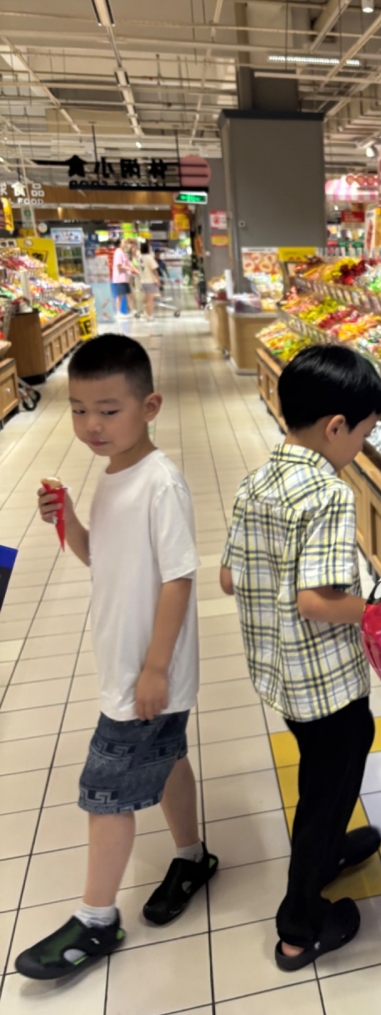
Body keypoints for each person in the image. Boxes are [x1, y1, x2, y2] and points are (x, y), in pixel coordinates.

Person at [17, 334, 216, 980]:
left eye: (108, 410)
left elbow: (178, 579)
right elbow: (98, 557)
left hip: (144, 676)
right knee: (169, 758)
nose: (91, 425)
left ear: (149, 406)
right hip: (133, 668)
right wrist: (68, 520)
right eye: (79, 410)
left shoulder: (160, 483)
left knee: (104, 795)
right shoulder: (111, 476)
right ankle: (192, 856)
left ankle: (96, 919)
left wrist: (155, 669)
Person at [220, 344, 381, 970]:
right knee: (329, 787)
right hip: (327, 685)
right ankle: (300, 927)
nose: (361, 447)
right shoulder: (328, 493)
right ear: (336, 427)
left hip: (281, 675)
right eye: (363, 434)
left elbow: (229, 577)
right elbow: (317, 601)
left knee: (320, 775)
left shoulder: (256, 481)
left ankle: (329, 850)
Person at [137, 240, 161, 320]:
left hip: (143, 281)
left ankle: (145, 314)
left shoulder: (139, 258)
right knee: (150, 300)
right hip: (150, 281)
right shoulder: (149, 258)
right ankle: (149, 315)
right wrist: (157, 279)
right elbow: (154, 269)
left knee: (146, 299)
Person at [110, 239, 133, 317]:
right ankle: (118, 312)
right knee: (119, 296)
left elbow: (128, 263)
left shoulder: (123, 252)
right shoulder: (118, 252)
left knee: (129, 295)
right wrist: (129, 268)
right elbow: (119, 266)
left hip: (125, 278)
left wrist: (131, 268)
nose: (126, 244)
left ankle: (132, 311)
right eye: (124, 242)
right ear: (119, 244)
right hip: (120, 278)